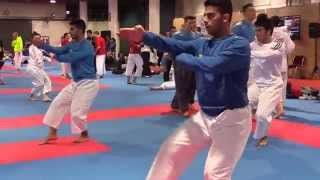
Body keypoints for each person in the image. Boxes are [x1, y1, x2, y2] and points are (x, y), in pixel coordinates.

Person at [118, 0, 251, 179]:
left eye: (211, 15)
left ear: (226, 17)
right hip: (204, 116)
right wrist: (145, 37)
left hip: (232, 119)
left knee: (214, 173)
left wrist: (183, 59)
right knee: (170, 152)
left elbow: (213, 65)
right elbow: (171, 44)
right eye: (204, 15)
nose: (205, 20)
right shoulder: (202, 43)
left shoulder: (239, 45)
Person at [41, 19, 99, 144]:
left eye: (72, 29)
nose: (70, 31)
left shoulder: (87, 47)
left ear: (79, 30)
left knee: (77, 114)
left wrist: (50, 55)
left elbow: (68, 58)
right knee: (57, 103)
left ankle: (85, 134)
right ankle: (52, 133)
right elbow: (59, 51)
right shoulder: (72, 44)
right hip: (75, 82)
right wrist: (42, 45)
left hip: (88, 83)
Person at [248, 14, 286, 147]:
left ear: (269, 31)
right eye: (256, 30)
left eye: (259, 30)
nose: (257, 33)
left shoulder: (278, 44)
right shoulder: (253, 45)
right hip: (257, 84)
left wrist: (250, 53)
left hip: (272, 86)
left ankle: (262, 135)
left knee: (262, 115)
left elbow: (267, 55)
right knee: (240, 105)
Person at [170, 16, 199, 117]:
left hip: (193, 62)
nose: (193, 25)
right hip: (180, 63)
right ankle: (183, 108)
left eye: (194, 23)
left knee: (191, 84)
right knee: (181, 85)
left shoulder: (196, 35)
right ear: (185, 23)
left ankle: (177, 104)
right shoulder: (177, 36)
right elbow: (171, 49)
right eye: (190, 23)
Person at [270, 16, 295, 118]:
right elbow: (291, 47)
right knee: (282, 87)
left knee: (272, 87)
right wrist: (284, 51)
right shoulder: (284, 34)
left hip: (271, 64)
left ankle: (276, 108)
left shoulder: (268, 33)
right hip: (282, 64)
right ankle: (281, 107)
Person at [26, 32, 52, 102]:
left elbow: (40, 55)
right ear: (32, 40)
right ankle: (32, 96)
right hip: (34, 68)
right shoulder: (32, 48)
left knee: (47, 80)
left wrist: (47, 58)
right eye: (36, 38)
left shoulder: (37, 48)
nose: (38, 39)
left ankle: (45, 96)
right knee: (40, 83)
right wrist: (40, 63)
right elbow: (37, 57)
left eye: (39, 38)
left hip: (38, 67)